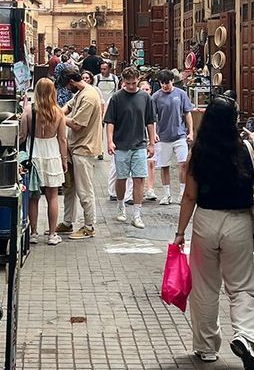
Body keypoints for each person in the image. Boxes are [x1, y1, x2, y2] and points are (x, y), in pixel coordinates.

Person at [173, 96, 254, 370]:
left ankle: (206, 347)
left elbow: (189, 195)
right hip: (239, 223)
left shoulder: (199, 152)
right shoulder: (244, 149)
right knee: (241, 286)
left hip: (206, 220)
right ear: (233, 121)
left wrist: (180, 232)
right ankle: (245, 335)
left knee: (204, 286)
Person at [105, 67, 156, 229]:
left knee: (139, 178)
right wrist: (110, 141)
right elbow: (110, 122)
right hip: (121, 145)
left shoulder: (145, 97)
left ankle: (137, 214)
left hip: (139, 144)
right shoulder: (116, 98)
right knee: (121, 178)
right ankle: (121, 205)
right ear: (123, 82)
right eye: (128, 84)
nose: (131, 86)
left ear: (138, 80)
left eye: (134, 83)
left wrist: (152, 143)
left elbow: (150, 121)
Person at [20, 77, 68, 245]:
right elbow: (62, 139)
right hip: (52, 154)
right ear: (53, 91)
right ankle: (52, 235)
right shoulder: (59, 112)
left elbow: (22, 136)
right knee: (52, 197)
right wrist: (64, 160)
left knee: (33, 196)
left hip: (33, 155)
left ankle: (33, 233)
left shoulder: (28, 111)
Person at [58, 65, 103, 239]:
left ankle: (89, 226)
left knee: (84, 190)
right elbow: (68, 107)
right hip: (74, 147)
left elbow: (77, 125)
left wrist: (59, 118)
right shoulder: (80, 93)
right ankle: (67, 222)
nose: (67, 90)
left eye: (67, 86)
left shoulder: (89, 97)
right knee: (69, 187)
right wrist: (57, 111)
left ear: (71, 82)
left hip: (84, 148)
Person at [152, 69, 194, 206]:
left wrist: (191, 132)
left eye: (167, 83)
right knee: (164, 166)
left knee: (183, 164)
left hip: (180, 135)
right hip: (163, 137)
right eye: (162, 83)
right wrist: (154, 133)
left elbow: (187, 113)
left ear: (172, 81)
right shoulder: (155, 97)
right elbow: (153, 117)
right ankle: (167, 194)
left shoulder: (181, 94)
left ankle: (182, 193)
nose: (165, 86)